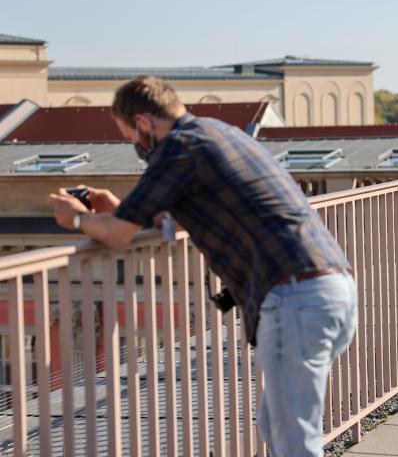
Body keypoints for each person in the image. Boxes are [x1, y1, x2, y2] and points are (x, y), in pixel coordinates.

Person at [48, 76, 358, 457]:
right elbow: (165, 217)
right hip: (330, 287)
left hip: (296, 297)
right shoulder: (218, 132)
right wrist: (118, 207)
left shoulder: (178, 147)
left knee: (294, 441)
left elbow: (116, 235)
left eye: (131, 137)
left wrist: (77, 219)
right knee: (276, 426)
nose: (135, 147)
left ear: (144, 122)